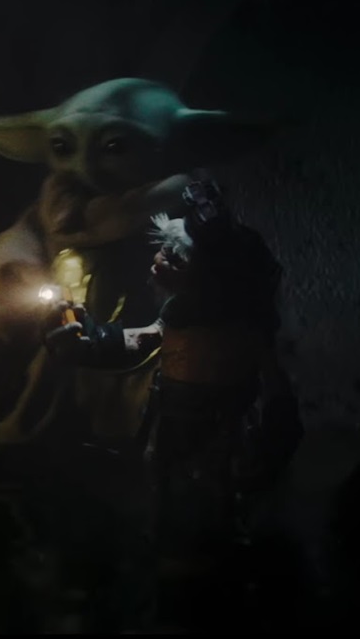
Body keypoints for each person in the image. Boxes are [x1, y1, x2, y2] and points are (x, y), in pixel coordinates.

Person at [41, 180, 302, 626]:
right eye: (164, 250)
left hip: (218, 445)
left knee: (209, 539)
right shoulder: (179, 313)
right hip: (171, 439)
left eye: (176, 257)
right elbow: (139, 341)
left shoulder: (242, 327)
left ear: (215, 275)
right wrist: (90, 340)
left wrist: (271, 442)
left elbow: (276, 395)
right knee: (170, 525)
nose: (160, 259)